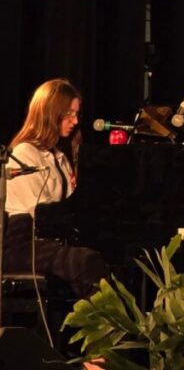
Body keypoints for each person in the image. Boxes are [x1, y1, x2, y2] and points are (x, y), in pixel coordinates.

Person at [3, 78, 108, 298]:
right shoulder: (24, 153)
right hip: (23, 243)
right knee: (84, 262)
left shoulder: (59, 156)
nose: (75, 120)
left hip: (49, 239)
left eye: (76, 114)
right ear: (50, 113)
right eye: (69, 113)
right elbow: (39, 212)